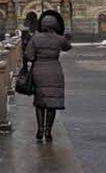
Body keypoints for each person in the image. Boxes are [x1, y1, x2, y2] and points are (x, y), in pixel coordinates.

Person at [24, 10, 73, 143]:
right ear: (55, 25)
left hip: (39, 71)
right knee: (52, 103)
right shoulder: (59, 38)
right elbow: (67, 47)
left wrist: (35, 57)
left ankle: (40, 129)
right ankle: (48, 131)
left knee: (40, 102)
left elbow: (28, 55)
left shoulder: (35, 38)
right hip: (55, 71)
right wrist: (66, 38)